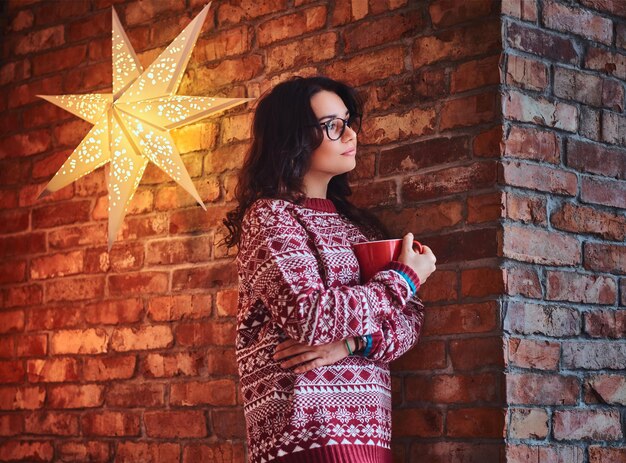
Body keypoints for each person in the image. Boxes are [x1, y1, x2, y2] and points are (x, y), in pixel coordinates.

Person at [223, 76, 437, 463]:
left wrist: (352, 345)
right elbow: (308, 316)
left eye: (348, 121)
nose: (350, 133)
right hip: (302, 432)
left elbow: (411, 322)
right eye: (333, 126)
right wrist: (405, 278)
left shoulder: (363, 228)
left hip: (370, 429)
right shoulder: (271, 217)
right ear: (294, 139)